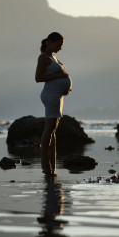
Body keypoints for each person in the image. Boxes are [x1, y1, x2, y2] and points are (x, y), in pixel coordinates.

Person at [35, 32, 72, 177]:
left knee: (54, 127)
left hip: (57, 96)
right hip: (50, 95)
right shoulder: (43, 57)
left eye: (61, 45)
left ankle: (52, 156)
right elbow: (38, 78)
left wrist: (66, 88)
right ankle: (44, 156)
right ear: (49, 42)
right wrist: (58, 77)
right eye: (58, 45)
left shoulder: (53, 57)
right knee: (50, 126)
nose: (60, 48)